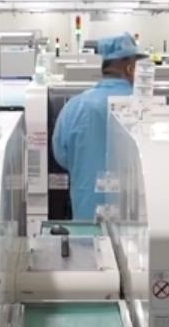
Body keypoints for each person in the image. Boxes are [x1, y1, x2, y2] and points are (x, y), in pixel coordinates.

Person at [52, 34, 146, 220]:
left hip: (87, 217)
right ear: (129, 68)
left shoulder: (75, 107)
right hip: (135, 221)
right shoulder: (146, 107)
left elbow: (62, 157)